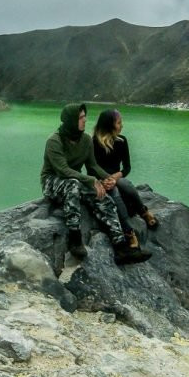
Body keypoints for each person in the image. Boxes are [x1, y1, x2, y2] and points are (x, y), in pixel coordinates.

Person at [41, 103, 151, 265]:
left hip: (76, 181)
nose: (85, 120)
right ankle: (75, 239)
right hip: (52, 181)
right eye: (81, 117)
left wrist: (107, 179)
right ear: (71, 120)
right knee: (73, 184)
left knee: (103, 196)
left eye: (85, 116)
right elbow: (62, 170)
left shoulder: (86, 139)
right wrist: (91, 180)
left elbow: (92, 166)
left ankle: (121, 247)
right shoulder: (54, 141)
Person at [92, 108, 159, 242]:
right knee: (115, 191)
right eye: (118, 123)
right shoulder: (93, 142)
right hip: (101, 181)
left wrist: (116, 176)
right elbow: (91, 168)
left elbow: (127, 168)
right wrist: (104, 181)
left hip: (116, 178)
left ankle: (144, 212)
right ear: (109, 125)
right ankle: (128, 232)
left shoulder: (122, 141)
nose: (121, 125)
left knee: (125, 183)